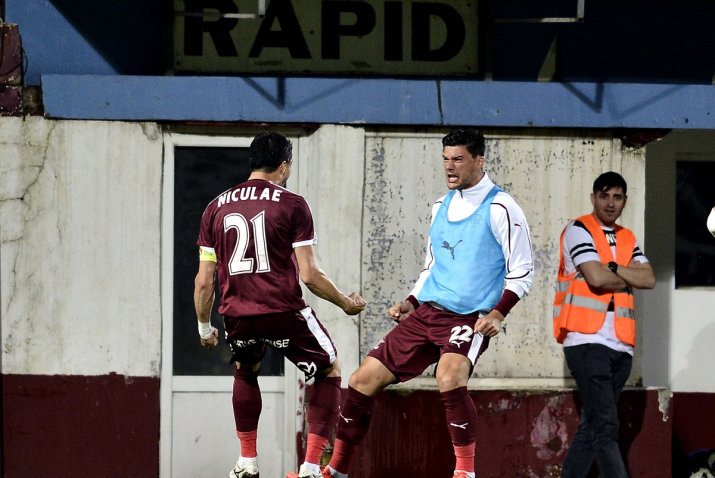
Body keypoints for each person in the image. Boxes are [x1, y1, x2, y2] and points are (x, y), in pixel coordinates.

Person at [321, 128, 534, 478]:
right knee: (361, 380)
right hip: (428, 312)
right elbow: (433, 265)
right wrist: (411, 301)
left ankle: (465, 472)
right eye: (445, 160)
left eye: (458, 160)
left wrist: (498, 312)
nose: (450, 168)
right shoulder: (440, 205)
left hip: (470, 316)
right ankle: (337, 471)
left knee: (448, 376)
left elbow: (523, 270)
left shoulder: (501, 207)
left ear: (480, 160)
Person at [193, 131, 367, 478]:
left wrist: (203, 325)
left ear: (252, 163)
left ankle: (247, 461)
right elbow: (310, 274)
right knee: (329, 369)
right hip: (283, 311)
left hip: (238, 314)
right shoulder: (292, 204)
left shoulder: (214, 208)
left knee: (245, 370)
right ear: (284, 166)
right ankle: (310, 467)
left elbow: (203, 280)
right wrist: (346, 302)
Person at [553, 171, 655, 478]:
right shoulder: (579, 228)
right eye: (604, 195)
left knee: (593, 426)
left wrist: (610, 265)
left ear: (625, 200)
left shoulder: (627, 237)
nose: (610, 203)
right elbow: (595, 278)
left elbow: (648, 279)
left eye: (617, 197)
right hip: (587, 340)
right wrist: (625, 273)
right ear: (594, 197)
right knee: (606, 426)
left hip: (621, 343)